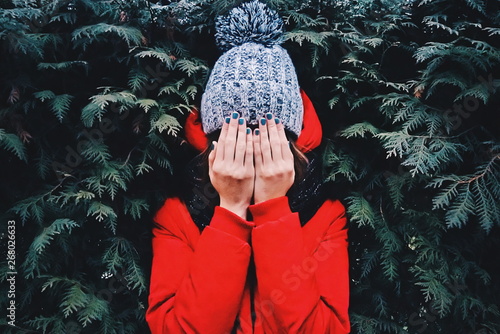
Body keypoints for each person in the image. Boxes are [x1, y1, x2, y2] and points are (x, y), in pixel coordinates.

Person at [146, 1, 350, 333]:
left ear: (292, 139)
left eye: (270, 134)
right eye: (237, 135)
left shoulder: (326, 216)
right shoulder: (178, 217)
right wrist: (230, 211)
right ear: (214, 140)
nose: (253, 148)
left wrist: (274, 214)